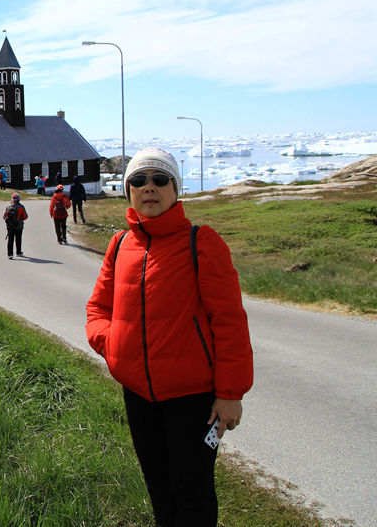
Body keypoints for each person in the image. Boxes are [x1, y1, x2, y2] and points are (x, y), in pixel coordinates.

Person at [85, 147, 253, 527]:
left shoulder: (202, 242)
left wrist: (230, 394)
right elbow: (98, 309)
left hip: (192, 399)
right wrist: (111, 347)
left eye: (160, 180)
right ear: (128, 190)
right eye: (139, 180)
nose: (149, 187)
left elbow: (229, 322)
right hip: (139, 396)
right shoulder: (120, 245)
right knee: (158, 487)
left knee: (191, 492)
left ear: (176, 189)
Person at [3, 192, 28, 258]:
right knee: (18, 239)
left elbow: (4, 216)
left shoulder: (8, 207)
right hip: (19, 226)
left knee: (10, 239)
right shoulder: (21, 207)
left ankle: (10, 254)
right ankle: (18, 252)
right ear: (19, 199)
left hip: (10, 226)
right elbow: (25, 217)